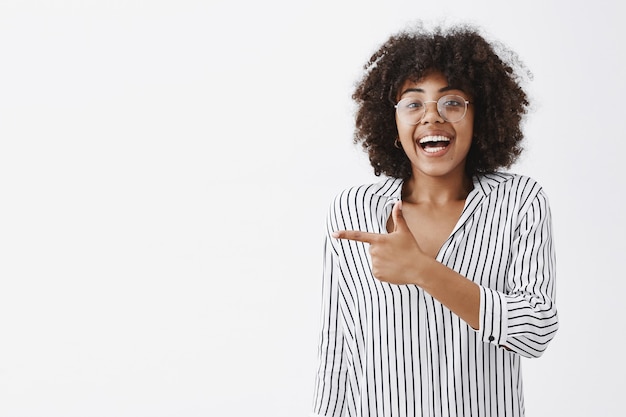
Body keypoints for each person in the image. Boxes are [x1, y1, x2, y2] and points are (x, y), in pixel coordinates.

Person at [310, 22, 558, 417]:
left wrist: (423, 270)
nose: (432, 117)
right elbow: (339, 353)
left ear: (481, 115)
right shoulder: (354, 210)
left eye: (452, 102)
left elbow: (536, 330)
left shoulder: (519, 202)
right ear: (391, 121)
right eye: (413, 103)